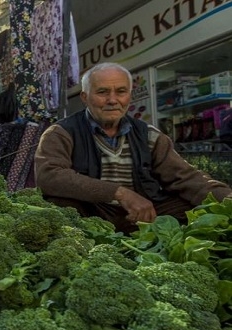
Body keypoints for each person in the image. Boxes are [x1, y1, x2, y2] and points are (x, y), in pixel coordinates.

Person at [34, 62, 232, 234]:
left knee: (194, 209)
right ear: (85, 97)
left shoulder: (149, 135)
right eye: (102, 92)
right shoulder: (61, 132)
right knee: (58, 205)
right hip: (92, 215)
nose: (113, 100)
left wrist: (227, 199)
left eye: (120, 91)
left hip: (141, 215)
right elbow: (49, 176)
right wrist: (119, 193)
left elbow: (186, 178)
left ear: (130, 96)